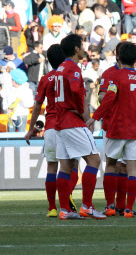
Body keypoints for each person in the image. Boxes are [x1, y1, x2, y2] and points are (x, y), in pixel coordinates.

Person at [87, 42, 136, 218]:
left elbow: (107, 98)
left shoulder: (116, 77)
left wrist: (94, 117)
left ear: (118, 56)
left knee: (111, 164)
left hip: (117, 127)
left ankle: (111, 206)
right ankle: (128, 208)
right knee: (133, 168)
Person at [54, 34, 106, 220]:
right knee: (94, 160)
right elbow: (76, 90)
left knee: (66, 166)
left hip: (60, 122)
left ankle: (65, 210)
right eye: (83, 46)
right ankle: (87, 206)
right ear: (76, 49)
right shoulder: (73, 68)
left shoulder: (60, 68)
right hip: (72, 121)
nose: (85, 49)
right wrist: (82, 113)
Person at [25, 44, 78, 218]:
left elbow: (38, 105)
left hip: (50, 126)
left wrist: (31, 129)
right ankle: (67, 195)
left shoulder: (45, 79)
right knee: (72, 165)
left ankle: (52, 208)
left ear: (48, 60)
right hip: (68, 124)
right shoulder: (68, 75)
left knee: (51, 167)